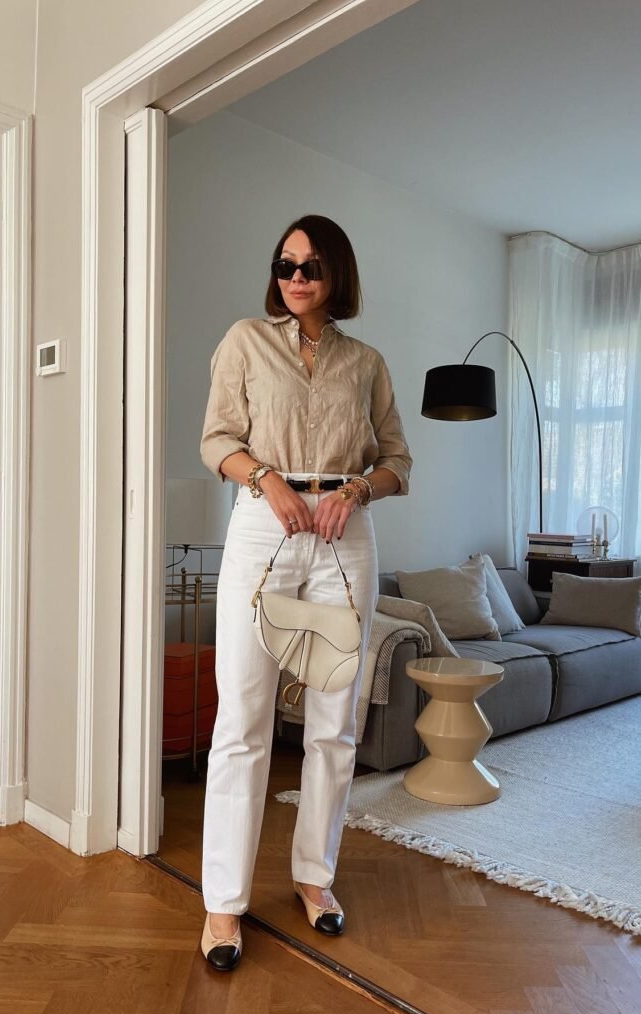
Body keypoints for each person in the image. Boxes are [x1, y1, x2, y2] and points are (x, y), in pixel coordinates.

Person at [198, 214, 412, 971]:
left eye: (312, 265)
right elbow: (217, 439)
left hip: (343, 535)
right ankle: (223, 904)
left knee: (333, 723)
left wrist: (354, 490)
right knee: (243, 719)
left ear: (336, 275)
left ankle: (313, 880)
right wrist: (266, 480)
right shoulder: (244, 341)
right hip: (265, 527)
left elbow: (395, 460)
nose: (296, 276)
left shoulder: (367, 362)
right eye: (285, 263)